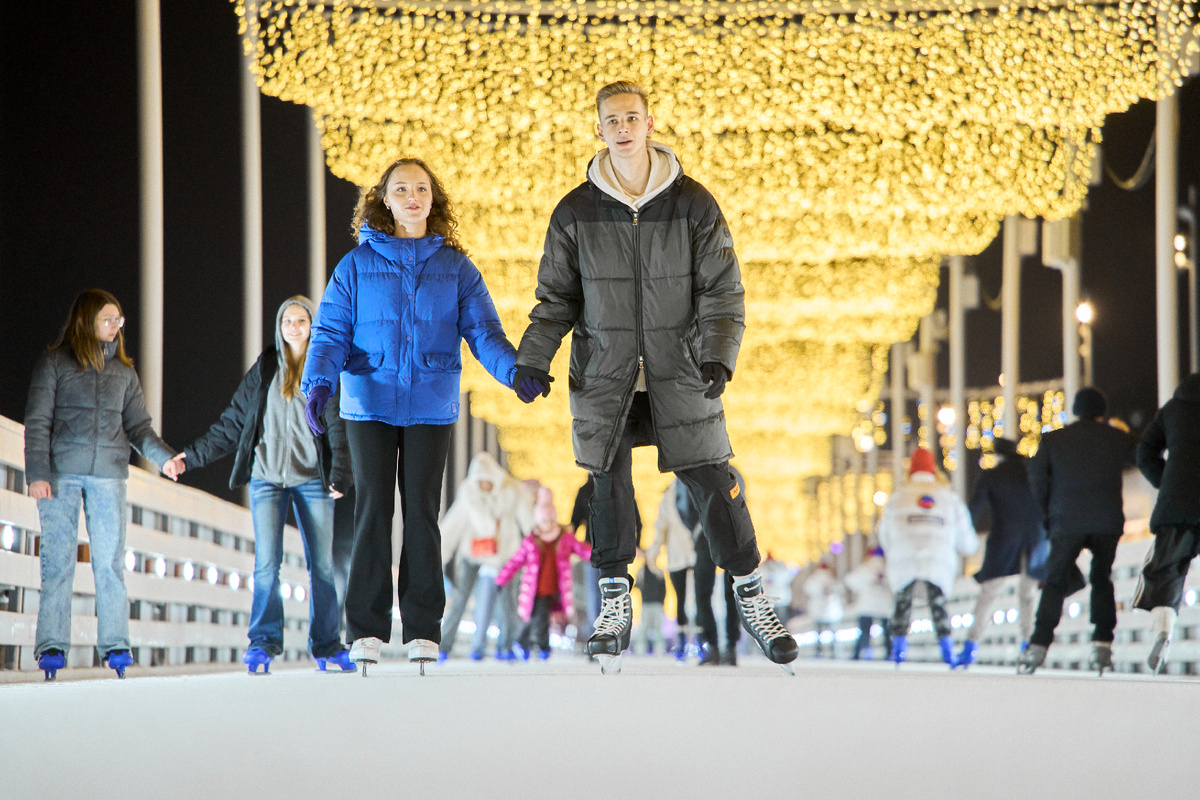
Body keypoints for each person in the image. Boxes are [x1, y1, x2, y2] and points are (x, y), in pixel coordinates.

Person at [512, 80, 797, 674]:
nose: (622, 128)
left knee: (713, 479)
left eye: (632, 118)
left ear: (649, 123)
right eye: (611, 120)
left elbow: (723, 288)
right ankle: (615, 597)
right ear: (598, 130)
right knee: (607, 482)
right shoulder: (575, 212)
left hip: (680, 370)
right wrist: (533, 357)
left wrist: (718, 352)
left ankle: (750, 588)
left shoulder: (693, 203)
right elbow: (555, 299)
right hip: (605, 374)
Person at [302, 157, 518, 674]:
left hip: (430, 405)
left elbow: (484, 332)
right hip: (368, 402)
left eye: (422, 188)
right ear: (386, 199)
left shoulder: (456, 267)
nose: (413, 197)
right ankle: (368, 631)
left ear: (433, 199)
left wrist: (515, 373)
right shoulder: (355, 266)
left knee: (422, 514)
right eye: (402, 189)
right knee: (373, 510)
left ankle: (423, 629)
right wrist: (318, 383)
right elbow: (330, 332)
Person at [171, 296, 353, 674]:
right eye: (287, 320)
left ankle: (327, 644)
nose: (293, 327)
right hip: (266, 478)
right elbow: (232, 421)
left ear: (312, 325)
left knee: (321, 565)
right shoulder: (267, 366)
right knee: (267, 564)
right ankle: (262, 643)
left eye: (301, 320)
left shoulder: (325, 367)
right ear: (279, 325)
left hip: (312, 480)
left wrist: (341, 472)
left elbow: (337, 425)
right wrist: (190, 457)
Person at [25, 289, 182, 680]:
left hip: (109, 476)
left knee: (110, 562)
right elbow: (38, 422)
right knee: (57, 562)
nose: (116, 325)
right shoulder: (55, 364)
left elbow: (139, 427)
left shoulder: (124, 374)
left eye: (119, 320)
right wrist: (37, 474)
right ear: (86, 321)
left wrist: (164, 458)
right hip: (61, 474)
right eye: (108, 319)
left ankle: (116, 645)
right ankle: (52, 646)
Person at [1018, 387, 1131, 675]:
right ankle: (1102, 643)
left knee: (1055, 581)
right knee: (1101, 577)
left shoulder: (1053, 440)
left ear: (1076, 409)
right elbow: (1141, 457)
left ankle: (1038, 646)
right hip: (1107, 520)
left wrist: (1048, 512)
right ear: (1102, 410)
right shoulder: (1116, 437)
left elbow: (1037, 479)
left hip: (1066, 521)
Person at [877, 447, 978, 666]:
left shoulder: (899, 496)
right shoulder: (948, 496)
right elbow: (965, 534)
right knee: (938, 603)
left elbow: (884, 532)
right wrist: (969, 547)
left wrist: (893, 549)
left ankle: (898, 651)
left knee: (903, 603)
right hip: (937, 557)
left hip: (905, 556)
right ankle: (947, 649)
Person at [954, 437, 1048, 668]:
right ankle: (1028, 645)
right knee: (1028, 595)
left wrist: (959, 537)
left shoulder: (992, 475)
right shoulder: (1034, 471)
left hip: (1004, 539)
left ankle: (970, 648)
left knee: (989, 594)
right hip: (1036, 538)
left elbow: (973, 511)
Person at [1132, 373, 1200, 674]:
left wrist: (1166, 481)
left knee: (1166, 573)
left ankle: (1163, 630)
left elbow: (1144, 451)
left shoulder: (1173, 409)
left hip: (1178, 503)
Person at [439, 452, 532, 660]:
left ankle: (506, 646)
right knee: (460, 598)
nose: (484, 485)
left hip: (505, 553)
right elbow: (453, 526)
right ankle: (444, 646)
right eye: (480, 482)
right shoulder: (469, 494)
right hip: (472, 552)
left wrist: (536, 546)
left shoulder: (511, 490)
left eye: (487, 481)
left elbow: (528, 520)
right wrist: (438, 557)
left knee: (508, 601)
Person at [495, 488, 592, 659]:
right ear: (538, 521)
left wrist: (597, 555)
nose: (547, 525)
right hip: (535, 590)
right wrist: (502, 578)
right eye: (543, 521)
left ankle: (529, 643)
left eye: (550, 520)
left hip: (555, 588)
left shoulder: (564, 538)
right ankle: (540, 646)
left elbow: (581, 549)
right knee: (537, 618)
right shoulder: (531, 541)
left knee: (539, 618)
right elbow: (516, 561)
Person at [645, 478, 698, 660]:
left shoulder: (699, 486)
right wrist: (654, 552)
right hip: (677, 556)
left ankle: (703, 639)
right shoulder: (669, 493)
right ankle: (683, 641)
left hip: (697, 554)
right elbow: (661, 526)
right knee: (681, 600)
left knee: (701, 598)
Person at [843, 547, 893, 660]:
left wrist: (862, 589)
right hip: (884, 606)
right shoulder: (888, 568)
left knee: (864, 631)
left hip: (867, 605)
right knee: (886, 632)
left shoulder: (865, 568)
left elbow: (849, 580)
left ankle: (859, 653)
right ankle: (890, 653)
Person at [803, 559, 845, 658]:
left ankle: (818, 651)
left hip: (818, 611)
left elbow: (808, 590)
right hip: (832, 611)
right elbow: (840, 590)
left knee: (818, 633)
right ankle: (834, 652)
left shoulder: (813, 579)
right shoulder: (833, 579)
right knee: (833, 633)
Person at [634, 546, 668, 656]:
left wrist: (661, 602)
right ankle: (640, 649)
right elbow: (637, 584)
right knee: (643, 628)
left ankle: (659, 649)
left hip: (656, 604)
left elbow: (664, 589)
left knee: (658, 629)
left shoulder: (659, 571)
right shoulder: (641, 570)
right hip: (646, 603)